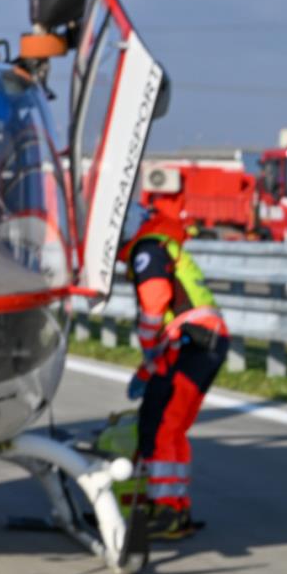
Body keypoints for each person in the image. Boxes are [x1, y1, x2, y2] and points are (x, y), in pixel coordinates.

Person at [119, 205, 229, 539]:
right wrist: (148, 369)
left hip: (191, 341)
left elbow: (155, 302)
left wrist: (149, 349)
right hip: (202, 340)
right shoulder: (161, 244)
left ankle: (166, 509)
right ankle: (176, 509)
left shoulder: (146, 249)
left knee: (160, 426)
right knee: (173, 426)